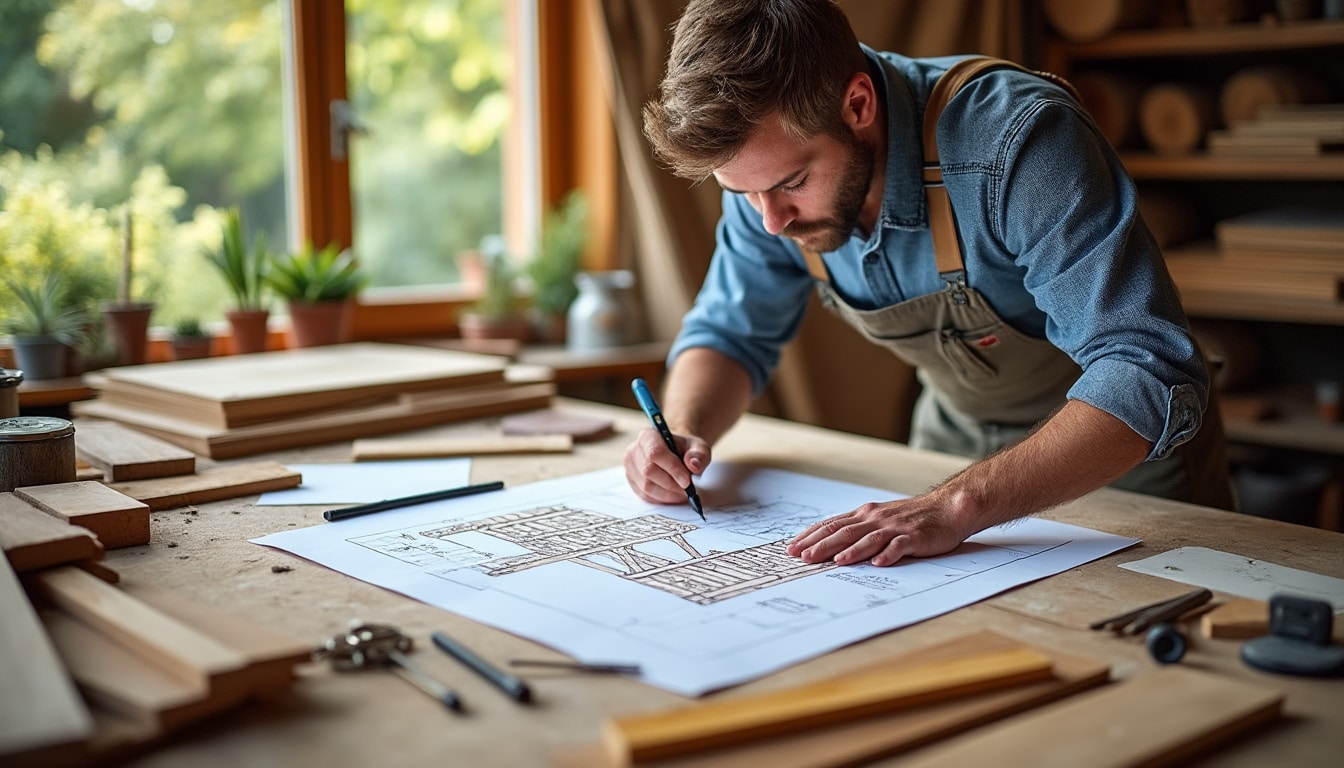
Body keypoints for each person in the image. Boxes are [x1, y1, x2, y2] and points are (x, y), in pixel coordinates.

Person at [624, 0, 1235, 568]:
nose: (771, 222)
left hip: (1113, 459)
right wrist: (681, 430)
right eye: (742, 193)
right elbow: (729, 335)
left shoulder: (1016, 138)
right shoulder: (767, 177)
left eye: (793, 183)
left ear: (857, 104)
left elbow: (1145, 366)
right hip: (948, 452)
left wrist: (957, 506)